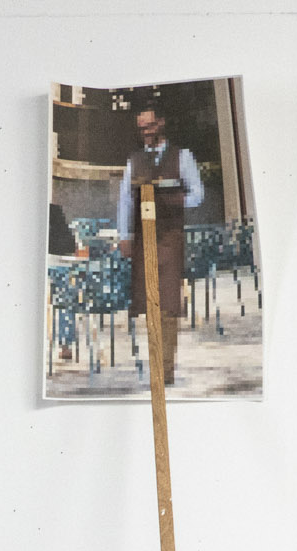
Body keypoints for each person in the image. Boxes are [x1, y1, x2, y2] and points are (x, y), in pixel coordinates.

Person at [115, 104, 203, 386]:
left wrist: (174, 200)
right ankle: (156, 366)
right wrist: (125, 236)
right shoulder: (135, 161)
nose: (145, 133)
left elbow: (197, 194)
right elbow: (126, 201)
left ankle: (166, 370)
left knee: (168, 305)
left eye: (150, 127)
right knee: (150, 303)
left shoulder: (183, 157)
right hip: (144, 239)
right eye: (141, 129)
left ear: (161, 123)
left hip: (170, 238)